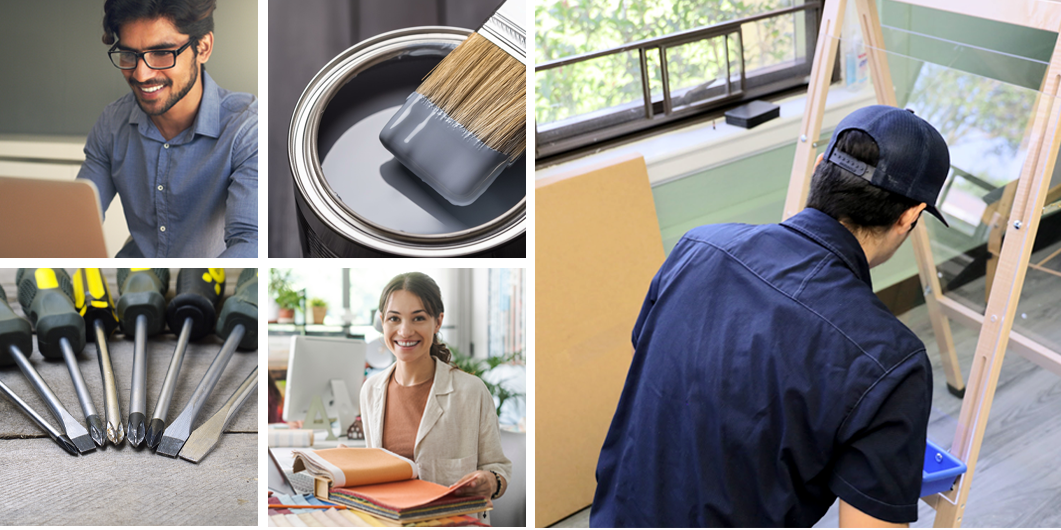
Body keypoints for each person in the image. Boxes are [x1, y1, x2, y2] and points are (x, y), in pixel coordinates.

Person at [591, 105, 950, 527]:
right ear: (911, 215)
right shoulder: (890, 360)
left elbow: (654, 361)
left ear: (819, 168)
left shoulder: (697, 247)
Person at [77, 0, 257, 257]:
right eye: (129, 54)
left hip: (207, 280)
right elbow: (79, 220)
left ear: (203, 48)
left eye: (162, 53)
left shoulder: (245, 129)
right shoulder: (112, 124)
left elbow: (251, 242)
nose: (141, 74)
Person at [360, 272, 512, 516]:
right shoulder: (371, 390)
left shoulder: (471, 391)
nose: (405, 331)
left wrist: (490, 481)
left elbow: (498, 468)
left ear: (438, 322)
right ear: (382, 321)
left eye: (418, 318)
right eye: (394, 319)